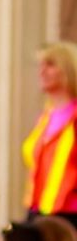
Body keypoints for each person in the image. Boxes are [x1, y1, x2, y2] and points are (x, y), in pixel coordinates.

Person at [22, 43, 77, 223]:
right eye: (41, 65)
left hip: (70, 214)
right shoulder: (45, 118)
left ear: (68, 69)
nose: (42, 71)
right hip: (39, 210)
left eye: (51, 64)